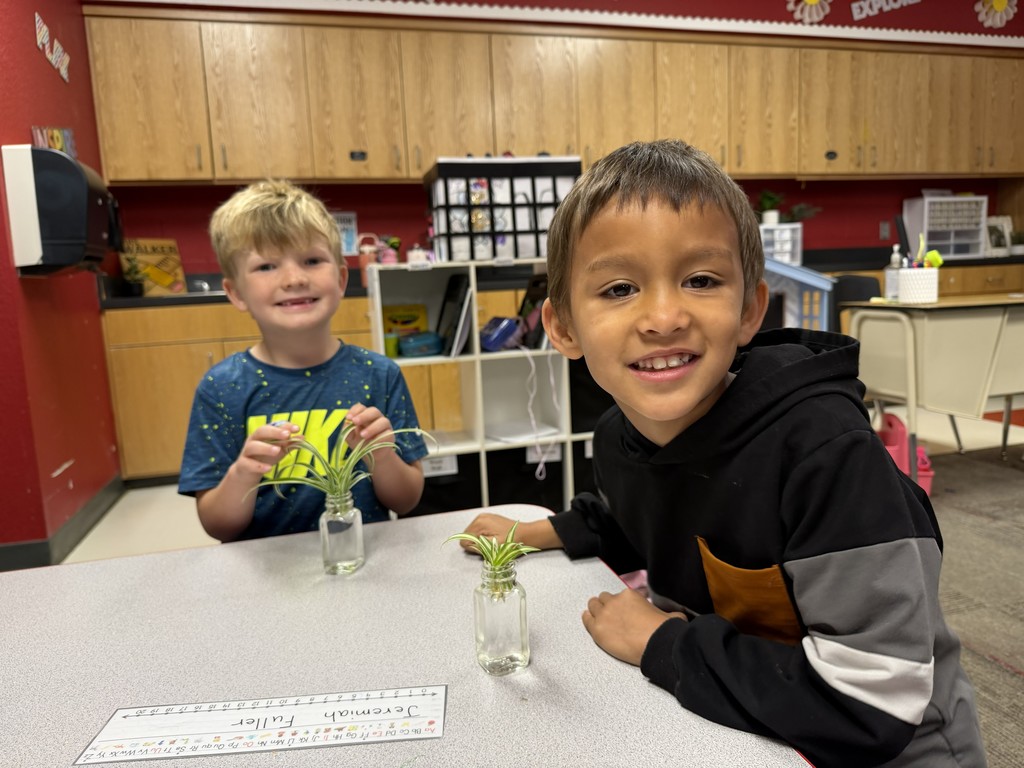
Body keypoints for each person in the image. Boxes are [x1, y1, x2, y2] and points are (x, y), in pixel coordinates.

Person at [460, 140, 985, 767]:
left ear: (749, 310)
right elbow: (637, 518)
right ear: (564, 328)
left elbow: (871, 703)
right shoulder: (618, 439)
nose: (663, 316)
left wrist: (664, 643)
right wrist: (536, 530)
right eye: (620, 288)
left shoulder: (823, 452)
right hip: (750, 731)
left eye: (701, 280)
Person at [179, 180, 427, 541]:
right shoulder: (221, 388)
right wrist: (244, 473)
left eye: (312, 260)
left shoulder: (380, 374)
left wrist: (382, 455)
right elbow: (217, 524)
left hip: (364, 565)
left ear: (341, 279)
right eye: (266, 266)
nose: (294, 279)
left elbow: (406, 501)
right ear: (236, 293)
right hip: (267, 576)